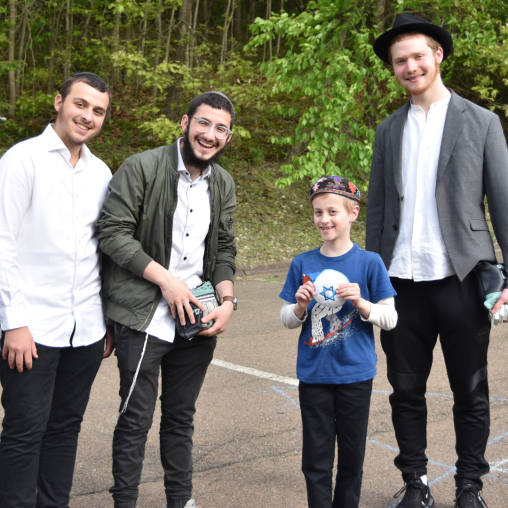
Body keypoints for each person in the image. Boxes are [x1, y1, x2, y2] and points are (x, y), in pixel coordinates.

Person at [366, 14, 508, 508]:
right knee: (405, 391)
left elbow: (503, 203)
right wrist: (372, 276)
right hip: (399, 282)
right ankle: (416, 484)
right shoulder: (387, 130)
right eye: (399, 61)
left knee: (471, 390)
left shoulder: (482, 121)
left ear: (437, 55)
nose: (409, 67)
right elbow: (378, 210)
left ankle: (470, 486)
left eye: (417, 56)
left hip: (462, 278)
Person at [97, 91, 238, 508]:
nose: (210, 135)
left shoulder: (223, 183)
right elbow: (112, 233)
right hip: (144, 315)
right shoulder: (140, 167)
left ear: (228, 137)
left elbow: (224, 249)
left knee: (180, 418)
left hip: (197, 317)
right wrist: (167, 282)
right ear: (185, 123)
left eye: (221, 129)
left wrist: (227, 301)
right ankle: (125, 502)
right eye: (203, 123)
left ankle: (180, 500)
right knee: (135, 418)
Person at [0, 72, 114, 508]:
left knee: (65, 429)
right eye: (80, 104)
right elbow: (3, 245)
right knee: (24, 431)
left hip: (85, 329)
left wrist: (105, 321)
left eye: (98, 110)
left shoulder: (100, 172)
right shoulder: (22, 160)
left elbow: (102, 251)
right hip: (31, 329)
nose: (87, 116)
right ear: (59, 103)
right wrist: (14, 323)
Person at [279, 175, 397, 508]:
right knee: (315, 459)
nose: (324, 219)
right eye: (318, 212)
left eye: (333, 212)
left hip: (355, 375)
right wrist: (300, 307)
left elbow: (391, 319)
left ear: (353, 213)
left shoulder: (369, 262)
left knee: (351, 458)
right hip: (314, 375)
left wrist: (361, 303)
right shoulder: (303, 263)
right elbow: (286, 318)